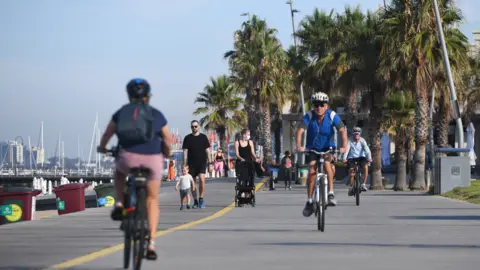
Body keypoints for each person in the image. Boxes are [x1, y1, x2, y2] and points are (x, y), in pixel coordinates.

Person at [97, 78, 171, 261]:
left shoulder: (121, 113)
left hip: (127, 158)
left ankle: (120, 204)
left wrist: (102, 147)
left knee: (119, 173)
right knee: (152, 200)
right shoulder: (156, 114)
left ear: (129, 96)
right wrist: (166, 153)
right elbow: (167, 139)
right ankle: (151, 243)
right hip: (152, 159)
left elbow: (107, 134)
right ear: (148, 96)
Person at [296, 91, 348, 217]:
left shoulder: (332, 115)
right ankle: (309, 200)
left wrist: (343, 146)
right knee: (312, 170)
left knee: (327, 164)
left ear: (326, 105)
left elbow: (342, 130)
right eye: (316, 105)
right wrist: (299, 146)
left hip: (328, 147)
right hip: (313, 149)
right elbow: (300, 131)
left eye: (322, 104)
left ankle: (330, 193)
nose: (319, 107)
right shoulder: (309, 116)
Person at [182, 120, 213, 209]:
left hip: (202, 162)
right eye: (192, 127)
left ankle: (201, 199)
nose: (194, 128)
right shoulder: (187, 138)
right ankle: (195, 201)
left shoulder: (203, 137)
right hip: (191, 164)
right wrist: (185, 164)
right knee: (193, 183)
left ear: (198, 126)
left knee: (202, 180)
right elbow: (185, 152)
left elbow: (208, 151)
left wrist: (210, 163)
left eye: (195, 126)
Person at [342, 126, 372, 195]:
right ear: (353, 134)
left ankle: (363, 184)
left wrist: (369, 158)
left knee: (365, 166)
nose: (356, 135)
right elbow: (346, 150)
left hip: (361, 157)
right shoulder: (349, 140)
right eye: (355, 134)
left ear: (360, 134)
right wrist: (344, 158)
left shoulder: (362, 140)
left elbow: (367, 150)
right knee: (351, 172)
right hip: (352, 158)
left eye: (358, 134)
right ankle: (351, 187)